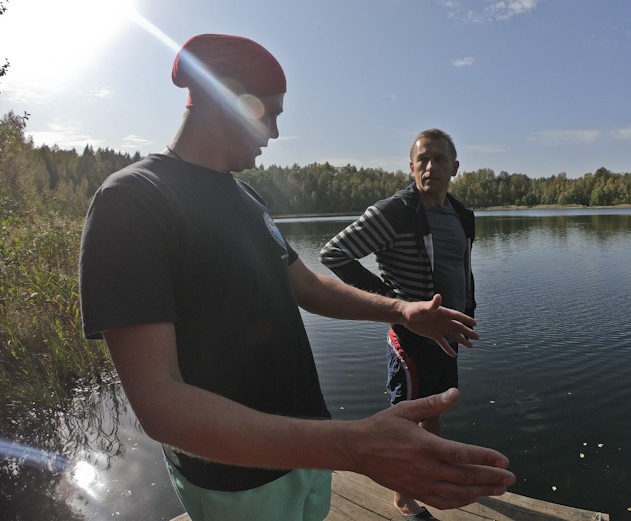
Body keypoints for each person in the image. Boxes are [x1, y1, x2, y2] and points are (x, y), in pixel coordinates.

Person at [79, 34, 514, 521]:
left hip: (305, 454)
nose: (277, 133)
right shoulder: (134, 200)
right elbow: (159, 403)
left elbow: (305, 285)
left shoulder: (245, 199)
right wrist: (353, 447)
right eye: (272, 113)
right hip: (238, 479)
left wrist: (402, 310)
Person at [320, 128, 474, 521]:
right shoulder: (395, 212)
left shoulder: (461, 215)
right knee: (406, 418)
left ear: (455, 167)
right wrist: (398, 306)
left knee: (436, 408)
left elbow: (461, 269)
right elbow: (334, 254)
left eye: (439, 159)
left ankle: (428, 475)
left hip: (448, 334)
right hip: (411, 335)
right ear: (411, 166)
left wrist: (468, 308)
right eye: (422, 159)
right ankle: (403, 499)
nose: (430, 166)